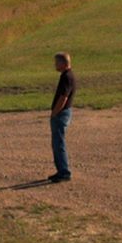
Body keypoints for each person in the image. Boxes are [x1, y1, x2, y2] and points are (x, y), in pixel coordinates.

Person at [49, 52, 76, 183]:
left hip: (61, 113)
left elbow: (63, 97)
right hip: (63, 112)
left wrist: (55, 113)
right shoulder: (67, 75)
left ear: (63, 63)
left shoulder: (66, 77)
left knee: (58, 143)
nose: (55, 65)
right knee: (57, 142)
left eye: (57, 62)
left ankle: (64, 172)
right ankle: (61, 171)